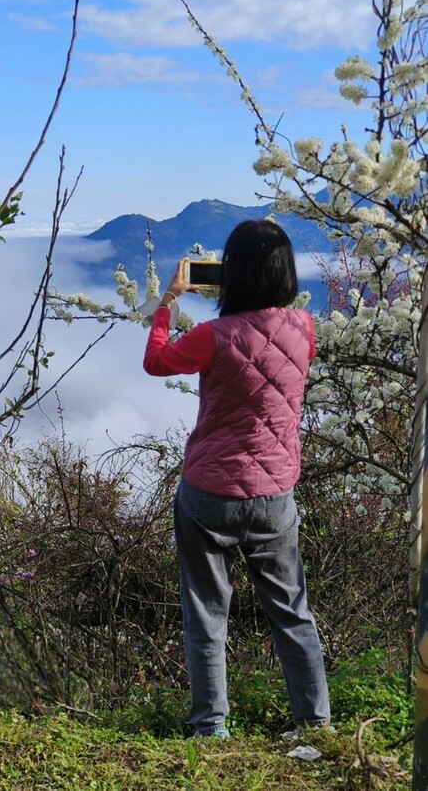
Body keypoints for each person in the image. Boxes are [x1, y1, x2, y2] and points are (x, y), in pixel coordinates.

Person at [143, 219, 331, 740]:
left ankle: (211, 727)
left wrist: (168, 303)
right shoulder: (304, 330)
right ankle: (315, 724)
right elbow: (273, 356)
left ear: (232, 276)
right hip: (275, 493)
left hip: (210, 495)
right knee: (292, 612)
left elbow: (156, 362)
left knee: (207, 615)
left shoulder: (212, 337)